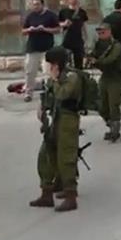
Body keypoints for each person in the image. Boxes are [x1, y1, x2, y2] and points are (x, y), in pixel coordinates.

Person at [29, 46, 81, 212]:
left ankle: (71, 195)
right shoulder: (54, 77)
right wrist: (42, 107)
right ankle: (46, 192)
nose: (47, 65)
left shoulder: (72, 77)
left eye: (50, 62)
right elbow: (49, 95)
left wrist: (55, 79)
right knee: (45, 154)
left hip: (68, 119)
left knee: (66, 157)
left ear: (57, 63)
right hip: (55, 118)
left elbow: (62, 94)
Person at [88, 22, 121, 142]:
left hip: (115, 77)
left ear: (109, 32)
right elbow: (92, 55)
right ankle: (110, 124)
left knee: (113, 104)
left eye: (103, 32)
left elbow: (111, 59)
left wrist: (96, 61)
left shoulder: (116, 45)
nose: (100, 35)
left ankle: (115, 129)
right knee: (101, 104)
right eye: (98, 33)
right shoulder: (98, 45)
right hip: (105, 77)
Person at [22, 0, 60, 102]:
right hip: (32, 48)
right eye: (34, 4)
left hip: (47, 48)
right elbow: (23, 31)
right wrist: (29, 30)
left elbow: (57, 29)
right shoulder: (30, 16)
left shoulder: (51, 15)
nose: (35, 6)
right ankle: (28, 93)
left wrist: (45, 29)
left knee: (48, 72)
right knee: (30, 72)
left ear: (42, 5)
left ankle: (50, 93)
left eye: (37, 4)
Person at [58, 0, 89, 69]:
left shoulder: (82, 12)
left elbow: (84, 26)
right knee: (66, 63)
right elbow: (57, 25)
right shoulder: (63, 12)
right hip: (66, 40)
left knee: (79, 63)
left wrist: (86, 40)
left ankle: (79, 79)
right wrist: (64, 24)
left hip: (78, 41)